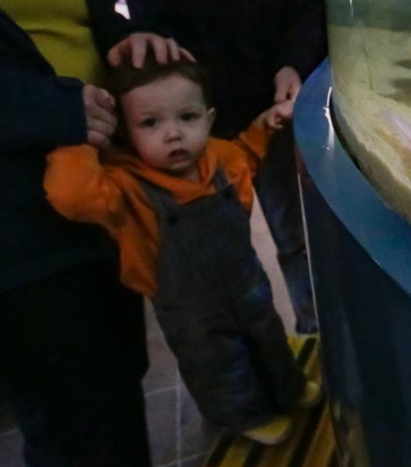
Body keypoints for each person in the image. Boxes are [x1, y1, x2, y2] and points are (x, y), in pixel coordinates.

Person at [44, 53, 322, 445]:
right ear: (125, 132)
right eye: (150, 123)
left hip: (246, 283)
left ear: (208, 119)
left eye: (187, 118)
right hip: (188, 306)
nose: (172, 134)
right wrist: (80, 139)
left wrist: (265, 126)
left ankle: (288, 387)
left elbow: (246, 152)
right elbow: (71, 196)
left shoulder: (220, 157)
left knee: (268, 334)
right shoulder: (126, 187)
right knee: (217, 361)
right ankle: (245, 415)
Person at [0, 2, 174, 467]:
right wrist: (46, 108)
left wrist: (127, 31)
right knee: (75, 424)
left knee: (116, 385)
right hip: (22, 231)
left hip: (99, 184)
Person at [122, 0, 329, 334]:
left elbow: (306, 9)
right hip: (191, 111)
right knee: (214, 256)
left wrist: (294, 62)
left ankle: (317, 334)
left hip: (268, 100)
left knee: (297, 236)